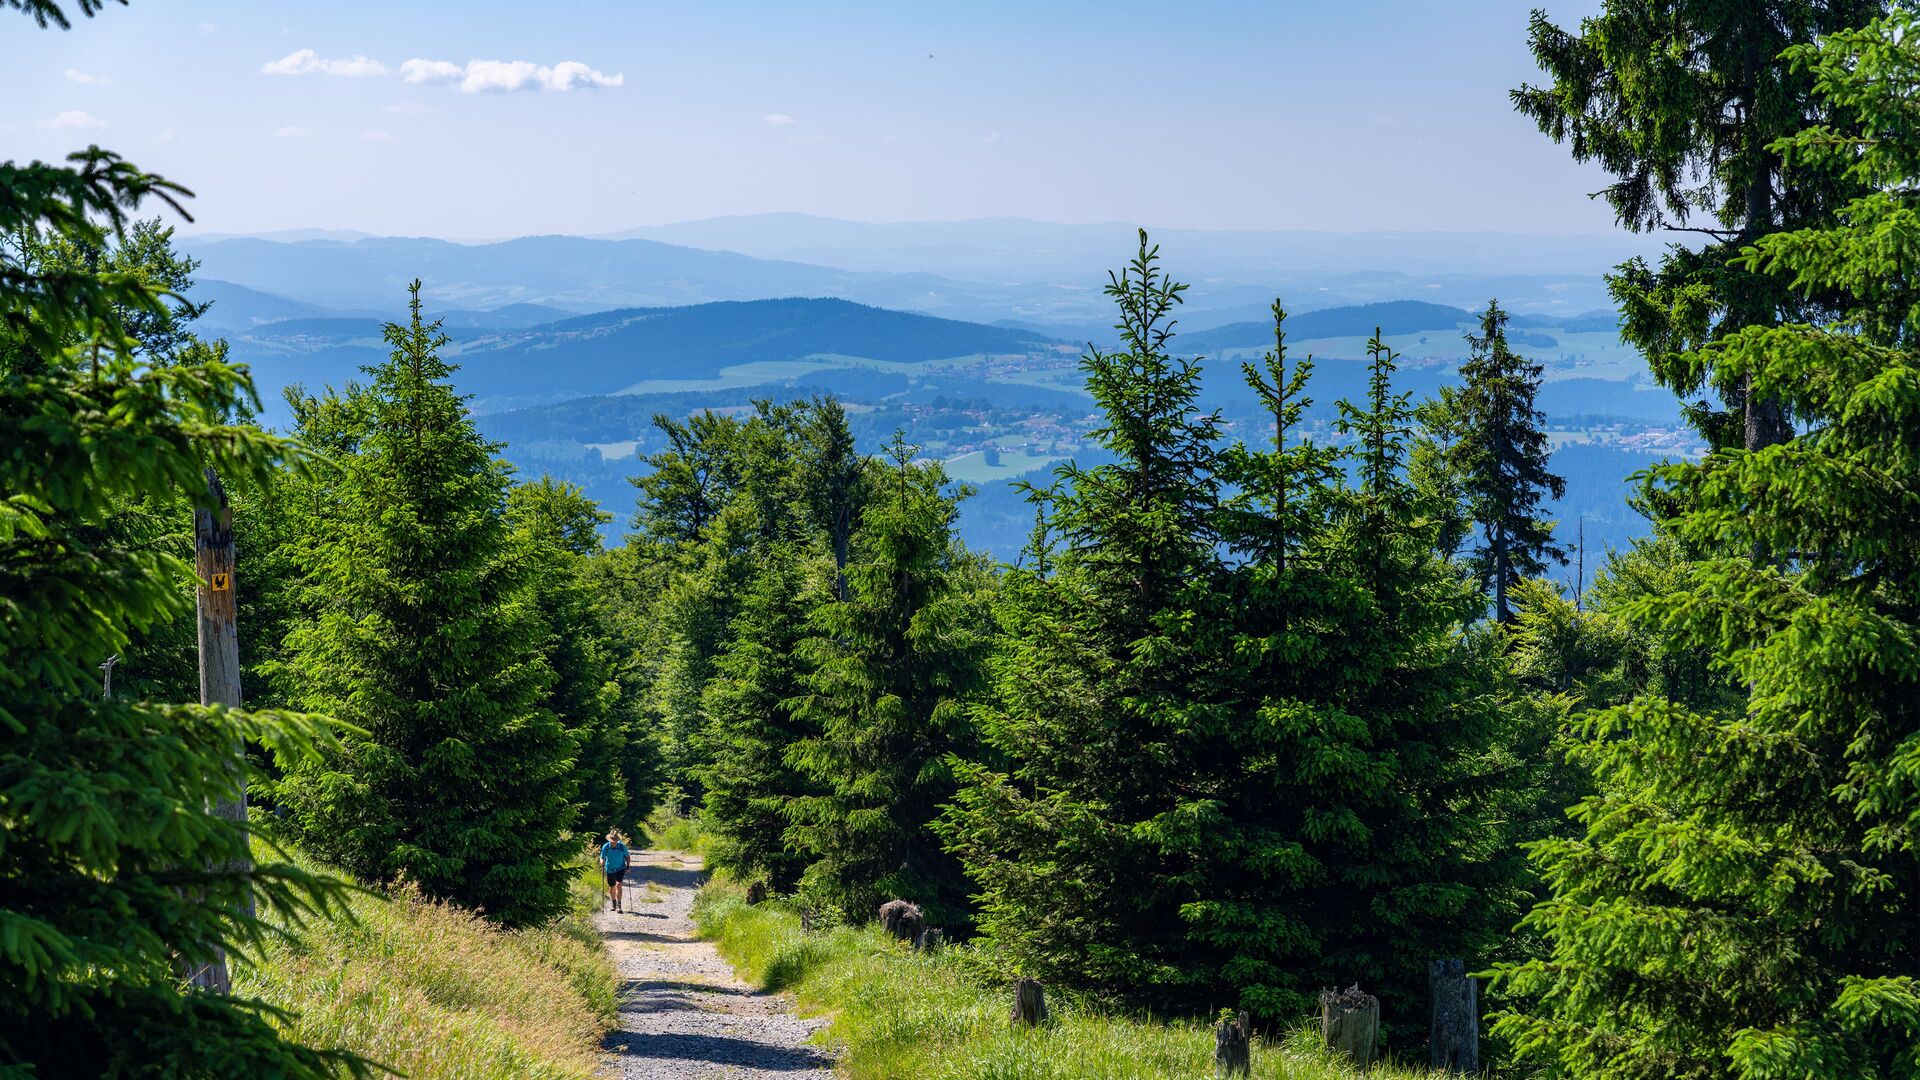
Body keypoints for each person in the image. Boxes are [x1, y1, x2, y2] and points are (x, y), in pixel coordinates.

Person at [599, 830, 631, 913]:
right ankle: (613, 902)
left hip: (620, 868)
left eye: (615, 841)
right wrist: (602, 861)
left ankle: (619, 905)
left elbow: (627, 856)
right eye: (612, 841)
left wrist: (628, 866)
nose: (614, 843)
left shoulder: (622, 846)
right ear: (609, 840)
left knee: (619, 885)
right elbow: (602, 857)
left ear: (617, 840)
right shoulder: (606, 846)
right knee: (612, 886)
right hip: (610, 868)